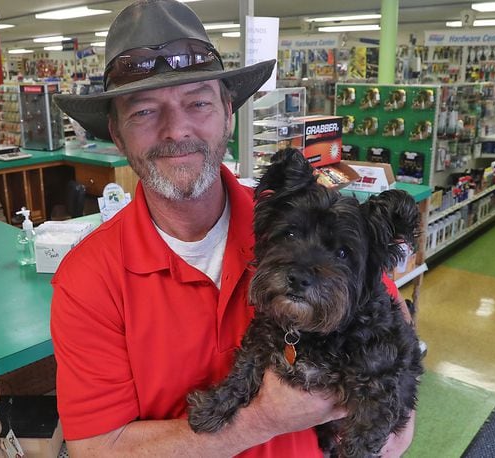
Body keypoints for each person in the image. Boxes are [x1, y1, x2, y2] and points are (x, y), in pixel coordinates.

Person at [51, 1, 416, 456]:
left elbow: (394, 349)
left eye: (198, 102)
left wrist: (382, 431)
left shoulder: (301, 221)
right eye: (144, 111)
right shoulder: (86, 280)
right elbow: (97, 449)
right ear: (117, 133)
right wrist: (262, 419)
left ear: (228, 111)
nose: (175, 129)